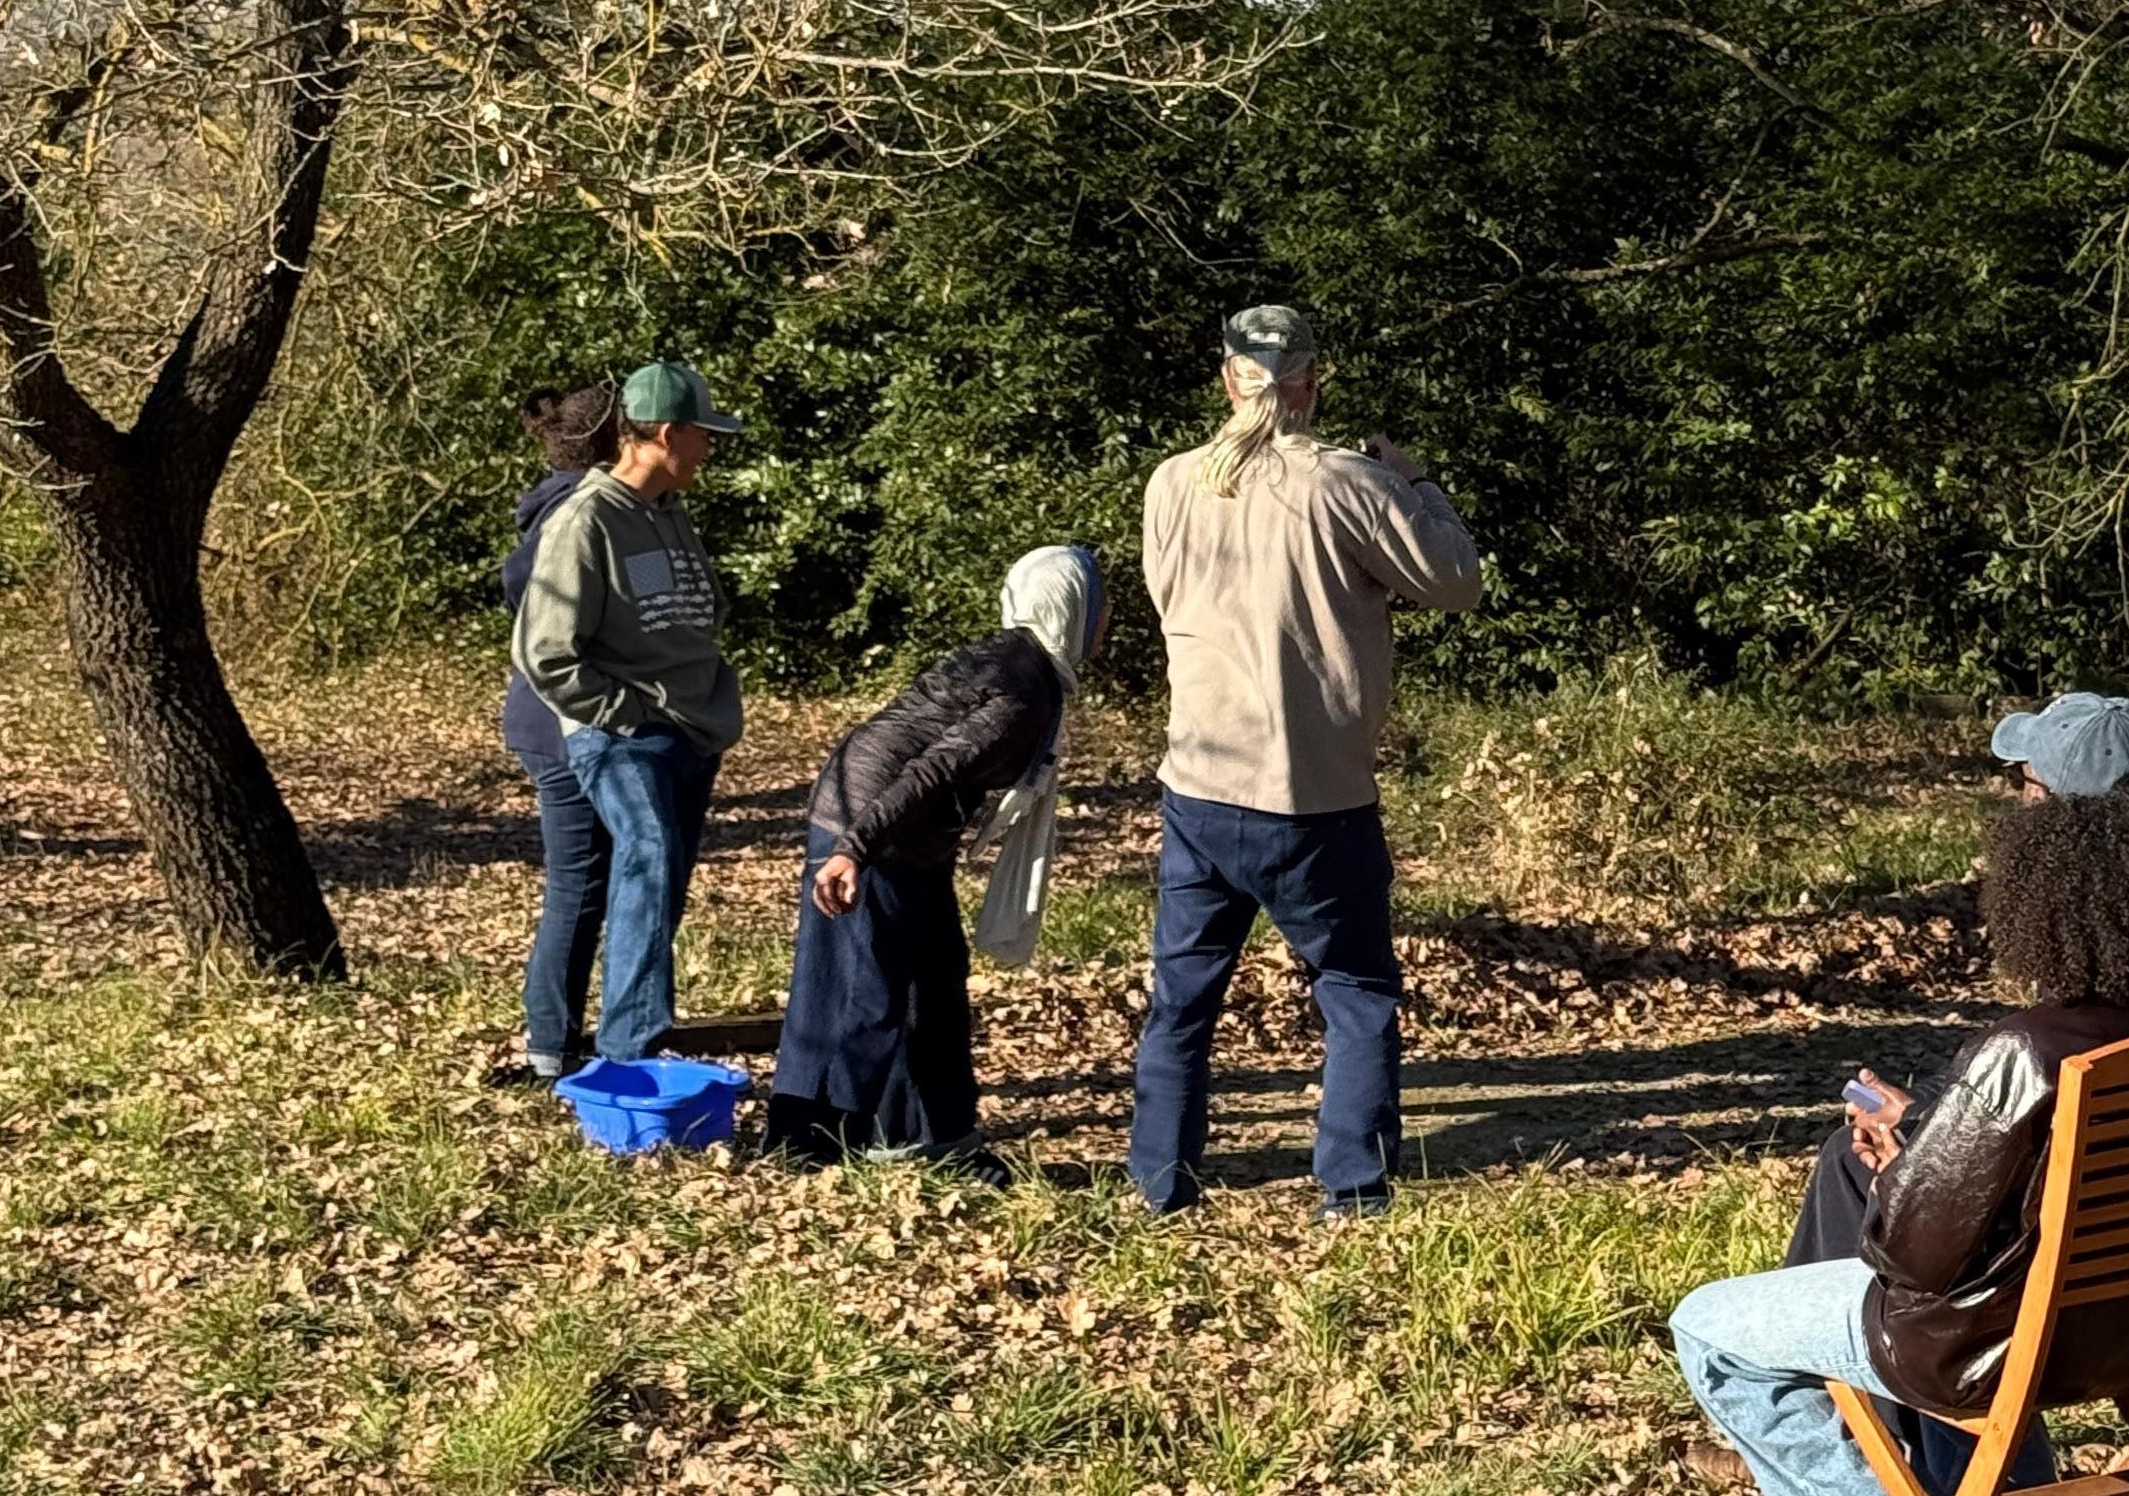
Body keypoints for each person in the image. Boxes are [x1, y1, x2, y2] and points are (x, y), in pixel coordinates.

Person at [1673, 780, 2129, 1496]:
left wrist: (1895, 1175)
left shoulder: (2022, 1053)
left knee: (1709, 1326)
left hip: (2004, 1352)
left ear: (2048, 916)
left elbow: (1908, 1255)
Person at [1129, 303, 1481, 1220]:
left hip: (1197, 783)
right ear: (1312, 382)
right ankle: (1352, 1192)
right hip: (1312, 792)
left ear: (1227, 379)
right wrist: (1417, 486)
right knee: (1357, 992)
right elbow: (1455, 583)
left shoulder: (1172, 484)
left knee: (1182, 1000)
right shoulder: (1347, 483)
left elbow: (1167, 598)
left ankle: (1159, 1184)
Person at [1783, 688, 2129, 1267]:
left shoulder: (2039, 1041)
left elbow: (1934, 1242)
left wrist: (1906, 1178)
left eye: (2025, 783)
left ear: (2052, 830)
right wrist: (1923, 1115)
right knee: (1848, 1155)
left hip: (2040, 1302)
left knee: (1720, 1325)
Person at [762, 544, 1106, 1179]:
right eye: (1099, 608)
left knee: (936, 980)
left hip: (900, 830)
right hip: (874, 827)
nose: (1104, 623)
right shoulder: (1023, 692)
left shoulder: (1020, 661)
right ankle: (810, 1148)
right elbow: (932, 768)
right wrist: (853, 852)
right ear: (1073, 611)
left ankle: (938, 1133)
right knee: (867, 995)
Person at [512, 360, 745, 1063]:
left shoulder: (669, 514)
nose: (709, 449)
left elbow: (688, 613)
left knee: (661, 882)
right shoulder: (585, 520)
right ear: (665, 435)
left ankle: (629, 1036)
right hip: (624, 734)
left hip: (691, 730)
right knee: (643, 860)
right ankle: (629, 1055)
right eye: (702, 436)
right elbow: (547, 652)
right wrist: (628, 713)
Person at [498, 378, 623, 1081]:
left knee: (594, 883)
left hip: (562, 722)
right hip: (560, 727)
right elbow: (527, 589)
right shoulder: (577, 512)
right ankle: (550, 1049)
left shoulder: (574, 503)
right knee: (578, 886)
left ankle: (572, 1039)